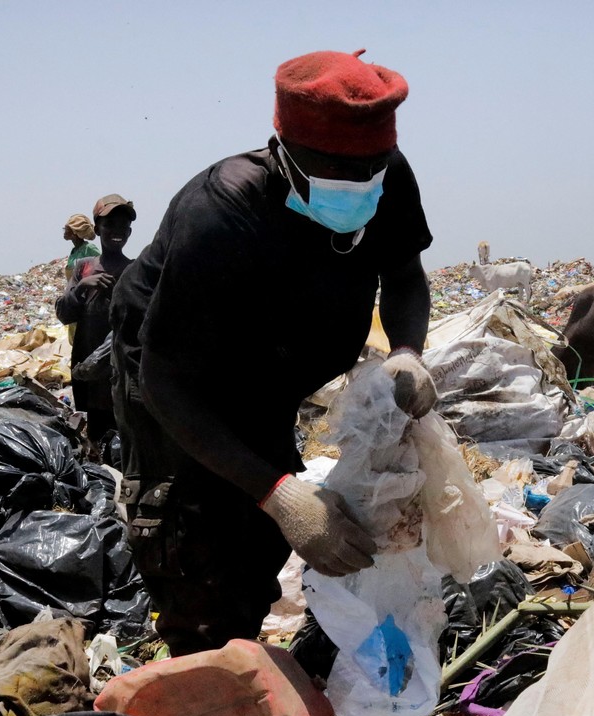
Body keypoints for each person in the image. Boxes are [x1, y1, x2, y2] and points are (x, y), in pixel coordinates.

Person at [109, 49, 436, 656]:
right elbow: (166, 378)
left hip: (274, 366)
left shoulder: (384, 176)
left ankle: (246, 636)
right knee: (198, 531)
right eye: (335, 176)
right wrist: (278, 494)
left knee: (261, 536)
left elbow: (405, 273)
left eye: (369, 173)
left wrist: (408, 351)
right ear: (283, 154)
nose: (358, 189)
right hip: (182, 370)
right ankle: (198, 657)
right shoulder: (222, 211)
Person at [55, 194, 135, 442]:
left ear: (130, 232)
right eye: (109, 225)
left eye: (123, 226)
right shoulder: (84, 268)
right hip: (88, 370)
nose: (117, 231)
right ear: (98, 229)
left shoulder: (135, 270)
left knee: (125, 434)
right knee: (97, 436)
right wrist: (82, 287)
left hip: (122, 372)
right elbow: (63, 314)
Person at [62, 213, 100, 345]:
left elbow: (101, 266)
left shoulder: (89, 249)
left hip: (86, 299)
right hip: (74, 297)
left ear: (75, 232)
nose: (64, 231)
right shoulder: (74, 252)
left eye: (67, 228)